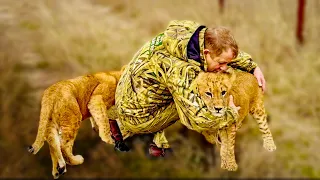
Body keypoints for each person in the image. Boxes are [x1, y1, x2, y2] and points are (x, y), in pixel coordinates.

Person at [108, 20, 266, 156]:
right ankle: (128, 130)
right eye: (221, 63)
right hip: (136, 113)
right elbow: (199, 117)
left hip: (130, 88)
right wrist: (229, 113)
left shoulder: (193, 35)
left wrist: (252, 67)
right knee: (198, 98)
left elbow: (222, 49)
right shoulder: (181, 71)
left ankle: (121, 127)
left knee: (203, 82)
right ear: (206, 53)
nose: (224, 67)